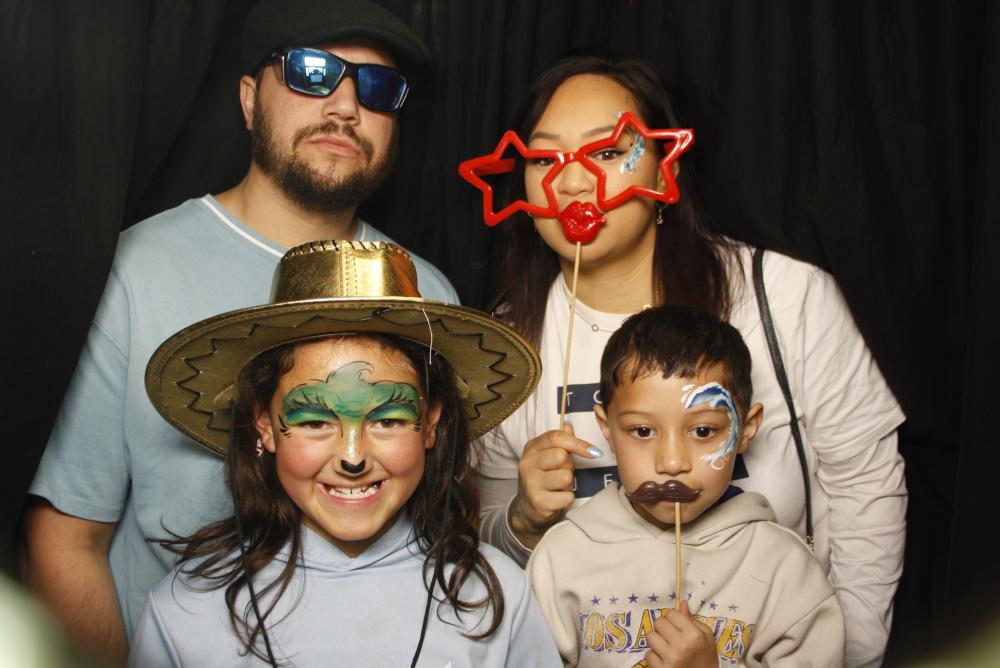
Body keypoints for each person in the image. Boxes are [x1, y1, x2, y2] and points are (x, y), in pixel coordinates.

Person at [22, 0, 458, 663]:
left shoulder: (425, 294)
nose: (345, 107)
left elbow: (440, 532)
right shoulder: (135, 272)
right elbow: (64, 539)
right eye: (312, 72)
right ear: (251, 100)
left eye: (377, 88)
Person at [474, 53, 905, 666]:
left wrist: (850, 656)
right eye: (544, 159)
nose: (571, 183)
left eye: (606, 151)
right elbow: (488, 548)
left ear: (666, 166)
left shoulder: (785, 296)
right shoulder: (505, 343)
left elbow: (865, 486)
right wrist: (523, 519)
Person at [128, 240, 558, 667]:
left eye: (387, 420)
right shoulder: (186, 611)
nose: (353, 458)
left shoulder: (495, 595)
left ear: (431, 423)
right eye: (315, 422)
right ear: (264, 424)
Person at [527, 305, 845, 667]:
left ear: (747, 428)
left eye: (703, 431)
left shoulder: (785, 569)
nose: (673, 463)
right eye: (642, 431)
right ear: (607, 428)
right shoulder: (560, 559)